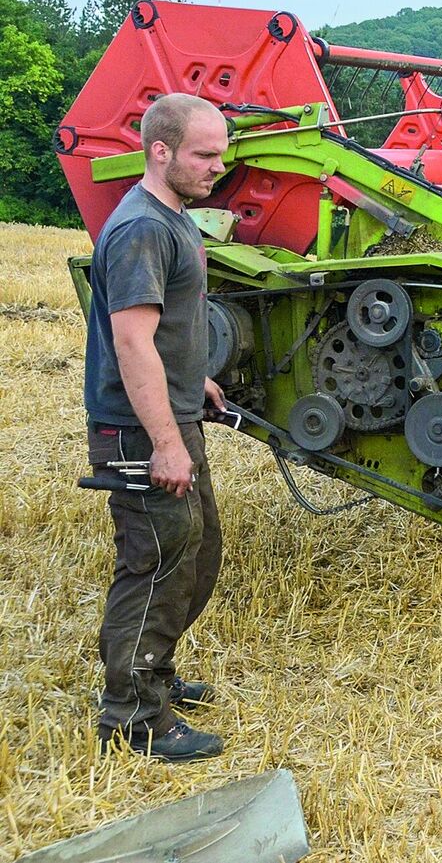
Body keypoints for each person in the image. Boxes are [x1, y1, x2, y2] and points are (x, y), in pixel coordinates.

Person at [83, 92, 231, 762]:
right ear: (160, 149)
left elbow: (162, 330)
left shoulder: (172, 217)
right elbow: (133, 342)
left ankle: (153, 671)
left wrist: (191, 377)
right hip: (143, 430)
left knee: (198, 552)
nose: (217, 167)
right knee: (155, 563)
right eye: (204, 155)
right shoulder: (142, 227)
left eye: (222, 154)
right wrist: (167, 441)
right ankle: (135, 715)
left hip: (171, 413)